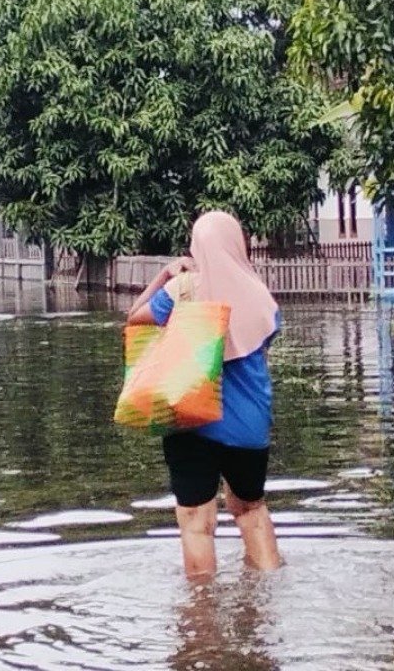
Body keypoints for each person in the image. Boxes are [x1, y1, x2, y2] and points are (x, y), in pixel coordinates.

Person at [126, 211, 283, 579]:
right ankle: (268, 594)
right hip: (249, 425)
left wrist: (164, 275)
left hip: (190, 416)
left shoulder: (181, 291)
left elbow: (134, 318)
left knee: (196, 522)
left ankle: (201, 615)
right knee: (251, 511)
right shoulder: (260, 296)